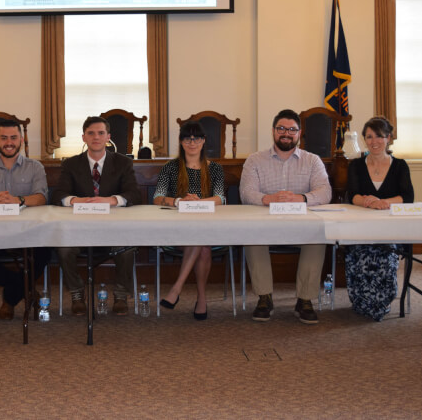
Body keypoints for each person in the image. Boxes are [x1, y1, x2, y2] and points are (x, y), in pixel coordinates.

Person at [240, 109, 332, 324]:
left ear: (299, 133)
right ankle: (264, 297)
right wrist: (269, 198)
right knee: (251, 235)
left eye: (292, 129)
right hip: (265, 223)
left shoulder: (312, 160)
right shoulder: (254, 160)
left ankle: (305, 300)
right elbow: (246, 193)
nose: (286, 133)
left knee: (318, 236)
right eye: (281, 128)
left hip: (302, 224)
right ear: (273, 131)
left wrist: (299, 197)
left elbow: (325, 192)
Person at [51, 116, 141, 316]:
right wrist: (75, 200)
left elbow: (134, 194)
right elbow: (58, 195)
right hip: (79, 230)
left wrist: (112, 200)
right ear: (83, 137)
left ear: (108, 137)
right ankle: (76, 294)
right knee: (64, 249)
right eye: (91, 133)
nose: (96, 137)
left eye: (101, 133)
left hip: (114, 229)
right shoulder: (71, 164)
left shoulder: (123, 163)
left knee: (127, 248)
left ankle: (120, 295)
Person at [0, 120, 52, 320]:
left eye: (13, 138)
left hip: (28, 232)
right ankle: (23, 288)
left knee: (45, 251)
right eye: (4, 138)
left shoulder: (35, 167)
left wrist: (18, 200)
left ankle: (10, 298)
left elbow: (41, 197)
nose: (9, 142)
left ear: (21, 140)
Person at [345, 116, 414, 321]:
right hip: (360, 229)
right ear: (364, 139)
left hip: (389, 230)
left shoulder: (400, 166)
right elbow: (352, 196)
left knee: (384, 256)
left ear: (389, 138)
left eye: (379, 136)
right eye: (369, 136)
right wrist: (367, 201)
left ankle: (382, 301)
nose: (374, 141)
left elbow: (408, 197)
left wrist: (383, 202)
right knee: (359, 253)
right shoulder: (356, 165)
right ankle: (362, 301)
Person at [155, 121, 225, 320]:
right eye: (187, 138)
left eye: (197, 138)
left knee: (201, 239)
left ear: (203, 141)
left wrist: (197, 203)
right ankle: (200, 299)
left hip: (209, 226)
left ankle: (177, 289)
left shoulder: (215, 169)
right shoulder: (170, 167)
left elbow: (221, 198)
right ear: (181, 142)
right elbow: (157, 197)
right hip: (176, 228)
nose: (192, 142)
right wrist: (179, 201)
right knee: (201, 242)